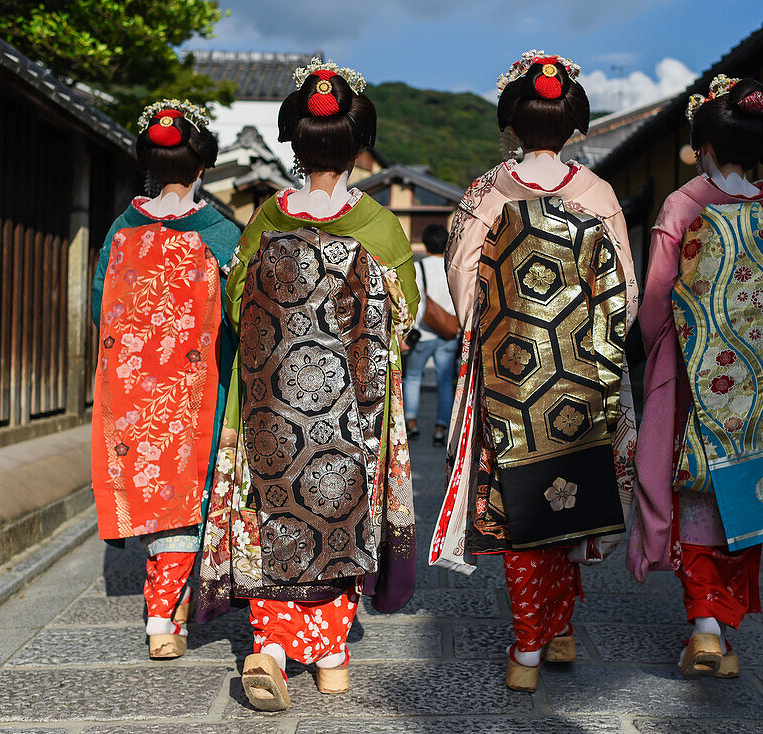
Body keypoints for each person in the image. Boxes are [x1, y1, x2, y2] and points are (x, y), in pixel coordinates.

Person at [197, 58, 420, 711]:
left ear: (294, 143)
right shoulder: (379, 227)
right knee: (339, 513)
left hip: (273, 408)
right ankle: (329, 657)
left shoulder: (267, 219)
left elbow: (238, 303)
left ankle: (268, 646)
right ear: (359, 143)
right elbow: (401, 320)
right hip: (350, 412)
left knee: (275, 516)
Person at [430, 51, 640, 693]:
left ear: (511, 121)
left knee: (521, 511)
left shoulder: (486, 191)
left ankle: (528, 645)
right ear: (574, 120)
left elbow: (463, 287)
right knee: (573, 506)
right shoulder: (597, 194)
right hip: (584, 381)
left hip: (508, 382)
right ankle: (559, 627)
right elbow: (623, 294)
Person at [630, 75, 763, 677]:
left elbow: (657, 299)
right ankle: (721, 623)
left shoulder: (685, 205)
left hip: (696, 369)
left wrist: (653, 350)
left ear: (706, 146)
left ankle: (705, 625)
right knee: (748, 492)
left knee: (695, 485)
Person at [90, 100, 240, 659]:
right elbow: (241, 315)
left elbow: (100, 304)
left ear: (150, 163)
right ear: (203, 165)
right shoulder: (219, 234)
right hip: (199, 385)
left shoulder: (120, 230)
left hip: (130, 385)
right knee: (188, 494)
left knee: (153, 495)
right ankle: (163, 617)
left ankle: (165, 611)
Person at [404, 223, 458, 445]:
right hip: (449, 332)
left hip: (423, 333)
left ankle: (412, 425)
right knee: (445, 382)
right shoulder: (453, 267)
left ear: (425, 244)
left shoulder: (420, 267)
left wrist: (409, 330)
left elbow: (414, 302)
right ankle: (440, 429)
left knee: (413, 377)